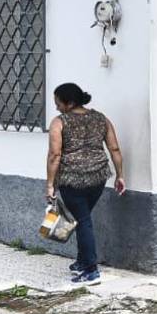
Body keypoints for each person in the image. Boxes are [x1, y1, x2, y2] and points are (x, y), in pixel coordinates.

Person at [45, 83, 126, 285]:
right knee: (84, 219)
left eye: (58, 103)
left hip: (72, 181)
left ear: (69, 103)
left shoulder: (59, 122)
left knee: (83, 221)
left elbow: (55, 155)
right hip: (98, 178)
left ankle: (91, 270)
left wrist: (50, 184)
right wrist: (119, 176)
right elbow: (114, 149)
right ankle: (82, 261)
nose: (56, 107)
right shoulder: (101, 118)